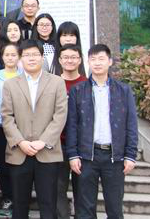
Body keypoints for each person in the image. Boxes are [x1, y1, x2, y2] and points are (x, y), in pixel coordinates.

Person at [66, 44, 138, 219]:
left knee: (114, 208)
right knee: (85, 209)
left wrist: (130, 155)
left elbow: (131, 124)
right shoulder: (78, 90)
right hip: (86, 157)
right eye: (93, 59)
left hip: (114, 157)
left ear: (110, 61)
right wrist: (73, 154)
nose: (97, 63)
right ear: (88, 62)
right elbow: (72, 124)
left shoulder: (123, 90)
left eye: (101, 59)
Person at [1, 39, 68, 219]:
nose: (31, 58)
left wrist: (43, 141)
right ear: (20, 59)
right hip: (19, 152)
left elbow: (60, 115)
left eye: (35, 55)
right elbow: (7, 117)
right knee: (19, 205)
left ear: (42, 57)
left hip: (47, 152)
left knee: (48, 204)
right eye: (27, 55)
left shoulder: (57, 82)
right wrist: (20, 141)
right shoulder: (10, 84)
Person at [55, 44, 88, 219]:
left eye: (73, 57)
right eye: (66, 57)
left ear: (80, 60)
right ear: (60, 60)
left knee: (82, 189)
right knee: (57, 188)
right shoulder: (52, 83)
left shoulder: (87, 84)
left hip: (82, 145)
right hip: (57, 144)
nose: (70, 60)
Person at [0, 42, 20, 214]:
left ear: (19, 57)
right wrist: (2, 120)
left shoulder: (25, 75)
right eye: (7, 55)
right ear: (2, 57)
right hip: (1, 127)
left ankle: (20, 197)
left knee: (20, 164)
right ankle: (7, 196)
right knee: (3, 164)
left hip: (22, 128)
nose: (10, 58)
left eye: (13, 55)